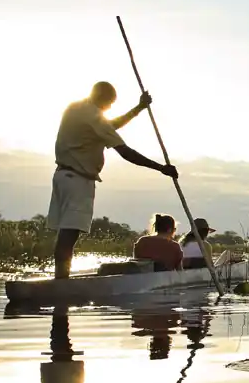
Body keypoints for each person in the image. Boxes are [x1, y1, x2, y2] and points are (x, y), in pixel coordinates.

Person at [48, 81, 178, 279]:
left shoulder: (75, 108)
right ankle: (61, 284)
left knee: (64, 235)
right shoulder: (93, 115)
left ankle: (60, 279)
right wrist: (161, 168)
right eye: (110, 104)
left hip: (62, 176)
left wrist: (138, 109)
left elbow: (109, 127)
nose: (109, 108)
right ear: (104, 99)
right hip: (78, 180)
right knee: (69, 235)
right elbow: (126, 152)